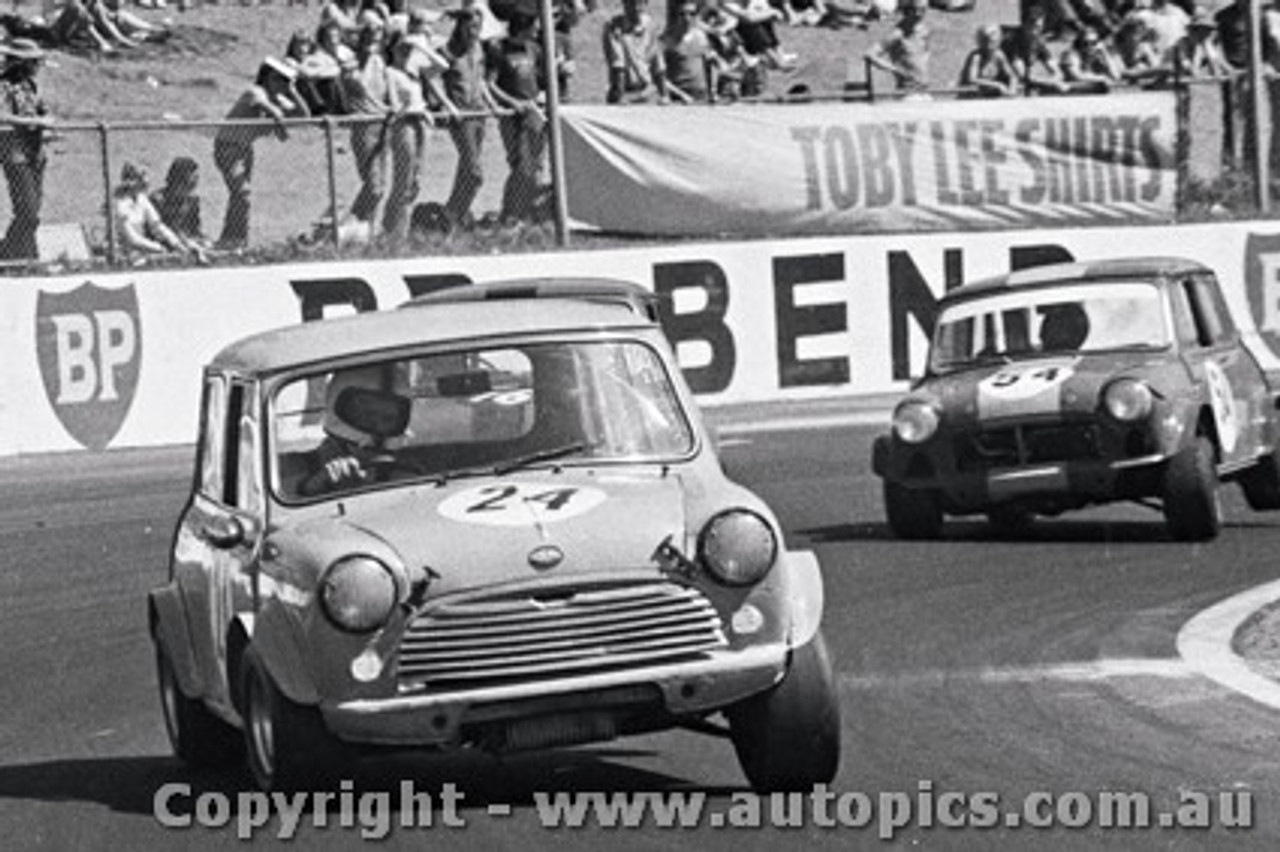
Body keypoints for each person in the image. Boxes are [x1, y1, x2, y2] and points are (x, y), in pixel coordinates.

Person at [213, 58, 310, 250]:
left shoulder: (278, 96)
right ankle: (233, 240)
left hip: (245, 149)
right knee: (242, 193)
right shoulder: (255, 92)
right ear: (267, 77)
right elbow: (271, 110)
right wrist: (279, 122)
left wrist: (293, 91)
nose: (281, 85)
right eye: (279, 80)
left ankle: (235, 240)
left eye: (285, 81)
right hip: (228, 147)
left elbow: (304, 116)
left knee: (240, 196)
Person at [297, 365, 409, 497]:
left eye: (389, 418)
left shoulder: (412, 470)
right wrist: (312, 487)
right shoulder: (295, 470)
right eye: (368, 414)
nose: (378, 425)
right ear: (338, 406)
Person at [441, 5, 498, 229]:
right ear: (461, 25)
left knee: (466, 168)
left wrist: (491, 103)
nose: (475, 31)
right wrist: (447, 106)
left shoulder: (478, 49)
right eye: (472, 26)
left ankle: (456, 217)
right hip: (460, 116)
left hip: (479, 113)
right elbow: (433, 80)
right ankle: (452, 212)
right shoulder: (447, 51)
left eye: (478, 26)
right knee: (475, 173)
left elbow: (481, 80)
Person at [487, 8, 547, 222]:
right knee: (520, 164)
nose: (538, 29)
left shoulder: (535, 49)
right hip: (512, 116)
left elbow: (542, 80)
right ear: (524, 26)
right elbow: (490, 84)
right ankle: (511, 211)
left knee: (537, 165)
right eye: (534, 25)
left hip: (535, 113)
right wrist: (513, 102)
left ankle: (529, 211)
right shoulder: (499, 49)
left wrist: (540, 97)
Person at [382, 32, 438, 241]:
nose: (405, 52)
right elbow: (395, 105)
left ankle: (401, 232)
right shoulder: (390, 72)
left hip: (422, 125)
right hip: (405, 124)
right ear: (393, 49)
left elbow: (442, 66)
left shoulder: (414, 71)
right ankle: (392, 230)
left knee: (417, 180)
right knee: (403, 180)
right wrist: (413, 110)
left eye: (408, 49)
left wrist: (420, 47)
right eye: (401, 48)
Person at [0, 38, 51, 261]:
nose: (38, 66)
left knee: (33, 213)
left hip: (36, 152)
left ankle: (17, 254)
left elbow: (41, 110)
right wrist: (32, 123)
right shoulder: (4, 85)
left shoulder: (31, 85)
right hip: (15, 153)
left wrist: (46, 122)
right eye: (33, 61)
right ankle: (15, 256)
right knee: (28, 212)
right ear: (21, 62)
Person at [342, 19, 394, 232]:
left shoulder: (380, 62)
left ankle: (364, 232)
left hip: (383, 125)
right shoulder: (352, 65)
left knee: (379, 187)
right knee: (373, 187)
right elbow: (349, 93)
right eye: (369, 37)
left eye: (377, 38)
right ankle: (346, 228)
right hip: (364, 126)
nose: (373, 42)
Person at [113, 162, 194, 260]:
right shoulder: (119, 203)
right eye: (141, 177)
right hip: (124, 252)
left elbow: (157, 226)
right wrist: (158, 248)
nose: (146, 181)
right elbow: (131, 238)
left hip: (143, 250)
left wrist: (176, 244)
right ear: (131, 181)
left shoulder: (142, 199)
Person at [864, 0, 931, 97]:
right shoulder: (897, 33)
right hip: (908, 93)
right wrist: (895, 70)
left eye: (923, 10)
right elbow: (870, 54)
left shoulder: (923, 30)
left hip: (925, 91)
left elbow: (923, 55)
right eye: (915, 9)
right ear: (907, 10)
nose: (919, 14)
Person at [656, 0, 718, 102]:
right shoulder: (666, 41)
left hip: (702, 96)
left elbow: (712, 65)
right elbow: (659, 77)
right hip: (678, 97)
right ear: (676, 16)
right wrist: (681, 95)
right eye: (682, 14)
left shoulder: (701, 37)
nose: (687, 18)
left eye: (692, 14)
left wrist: (713, 91)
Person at [602, 0, 662, 103]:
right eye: (631, 3)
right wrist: (621, 97)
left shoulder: (650, 25)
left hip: (646, 92)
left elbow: (657, 62)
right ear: (624, 4)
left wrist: (664, 94)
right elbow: (618, 65)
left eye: (640, 3)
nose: (636, 7)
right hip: (623, 91)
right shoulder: (614, 26)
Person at [151, 156, 208, 252]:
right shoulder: (158, 200)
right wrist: (185, 241)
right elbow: (164, 229)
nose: (191, 190)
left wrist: (203, 240)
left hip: (187, 241)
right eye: (188, 185)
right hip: (163, 243)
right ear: (179, 180)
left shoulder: (192, 200)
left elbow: (195, 229)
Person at [1059, 24, 1125, 93]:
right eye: (1085, 43)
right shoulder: (1069, 54)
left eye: (1093, 43)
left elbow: (1116, 77)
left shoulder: (1097, 54)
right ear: (1078, 43)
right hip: (1073, 91)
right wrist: (1101, 78)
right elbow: (1075, 76)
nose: (1089, 46)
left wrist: (1104, 52)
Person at [958, 23, 1017, 97]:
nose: (989, 45)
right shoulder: (976, 57)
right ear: (980, 41)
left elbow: (1011, 75)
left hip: (988, 95)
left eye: (992, 41)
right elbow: (972, 79)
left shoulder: (999, 55)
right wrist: (997, 85)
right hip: (971, 95)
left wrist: (1012, 88)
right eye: (985, 41)